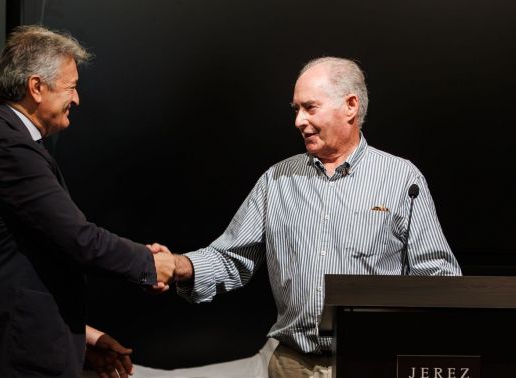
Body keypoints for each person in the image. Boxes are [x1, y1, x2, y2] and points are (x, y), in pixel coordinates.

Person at [151, 56, 462, 378]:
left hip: (370, 364)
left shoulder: (401, 178)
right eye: (296, 109)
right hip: (289, 364)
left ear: (351, 106)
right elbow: (230, 258)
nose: (299, 121)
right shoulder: (277, 180)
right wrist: (178, 265)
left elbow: (438, 276)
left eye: (310, 108)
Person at [0, 25, 174, 378]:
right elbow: (78, 239)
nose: (77, 99)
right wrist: (149, 263)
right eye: (72, 87)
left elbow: (26, 264)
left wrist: (83, 338)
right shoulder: (7, 148)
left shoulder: (2, 139)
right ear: (37, 87)